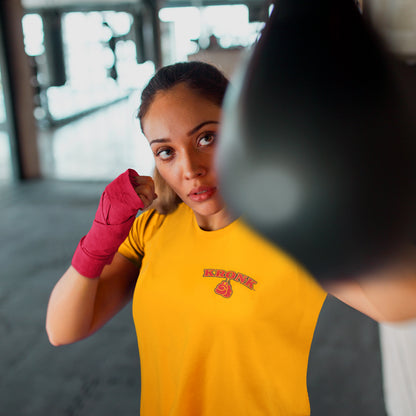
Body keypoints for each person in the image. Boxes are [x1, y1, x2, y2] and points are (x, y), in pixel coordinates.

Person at [46, 61, 327, 415]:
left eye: (206, 138)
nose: (190, 169)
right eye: (166, 151)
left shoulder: (294, 231)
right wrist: (99, 238)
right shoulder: (152, 229)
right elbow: (62, 330)